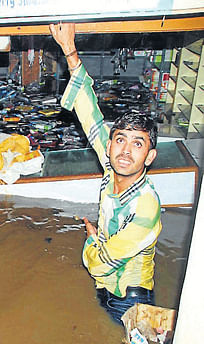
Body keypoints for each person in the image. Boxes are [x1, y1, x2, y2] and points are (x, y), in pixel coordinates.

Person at [49, 23, 162, 324]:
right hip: (106, 289)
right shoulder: (113, 162)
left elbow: (100, 264)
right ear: (111, 145)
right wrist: (70, 51)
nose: (126, 150)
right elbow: (90, 114)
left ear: (149, 156)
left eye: (137, 144)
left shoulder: (146, 206)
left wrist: (91, 241)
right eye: (120, 140)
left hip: (131, 298)